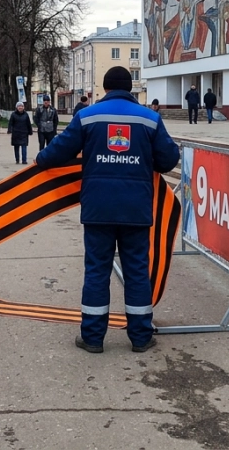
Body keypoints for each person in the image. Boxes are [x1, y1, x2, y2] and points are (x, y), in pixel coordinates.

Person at [36, 66, 180, 354]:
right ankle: (140, 337)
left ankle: (92, 338)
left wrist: (41, 158)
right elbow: (168, 159)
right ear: (130, 89)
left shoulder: (87, 116)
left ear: (104, 88)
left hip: (98, 207)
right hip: (136, 209)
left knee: (97, 271)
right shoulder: (150, 119)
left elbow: (54, 154)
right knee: (137, 271)